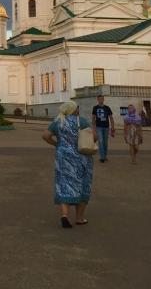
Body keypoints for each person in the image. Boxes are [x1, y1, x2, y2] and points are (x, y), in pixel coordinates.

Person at [42, 100, 95, 228]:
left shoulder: (58, 121)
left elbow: (45, 135)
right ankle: (79, 218)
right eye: (77, 108)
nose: (78, 110)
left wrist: (56, 144)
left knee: (64, 184)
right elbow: (94, 137)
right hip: (81, 158)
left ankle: (64, 215)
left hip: (63, 158)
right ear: (73, 110)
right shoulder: (81, 121)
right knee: (83, 185)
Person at [92, 93, 115, 163]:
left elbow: (111, 118)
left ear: (103, 99)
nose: (101, 100)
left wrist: (112, 127)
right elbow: (93, 118)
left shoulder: (107, 108)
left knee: (105, 142)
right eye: (99, 99)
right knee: (101, 141)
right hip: (99, 126)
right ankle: (102, 157)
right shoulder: (95, 108)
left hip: (106, 127)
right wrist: (93, 128)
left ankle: (105, 156)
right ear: (97, 100)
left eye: (102, 99)